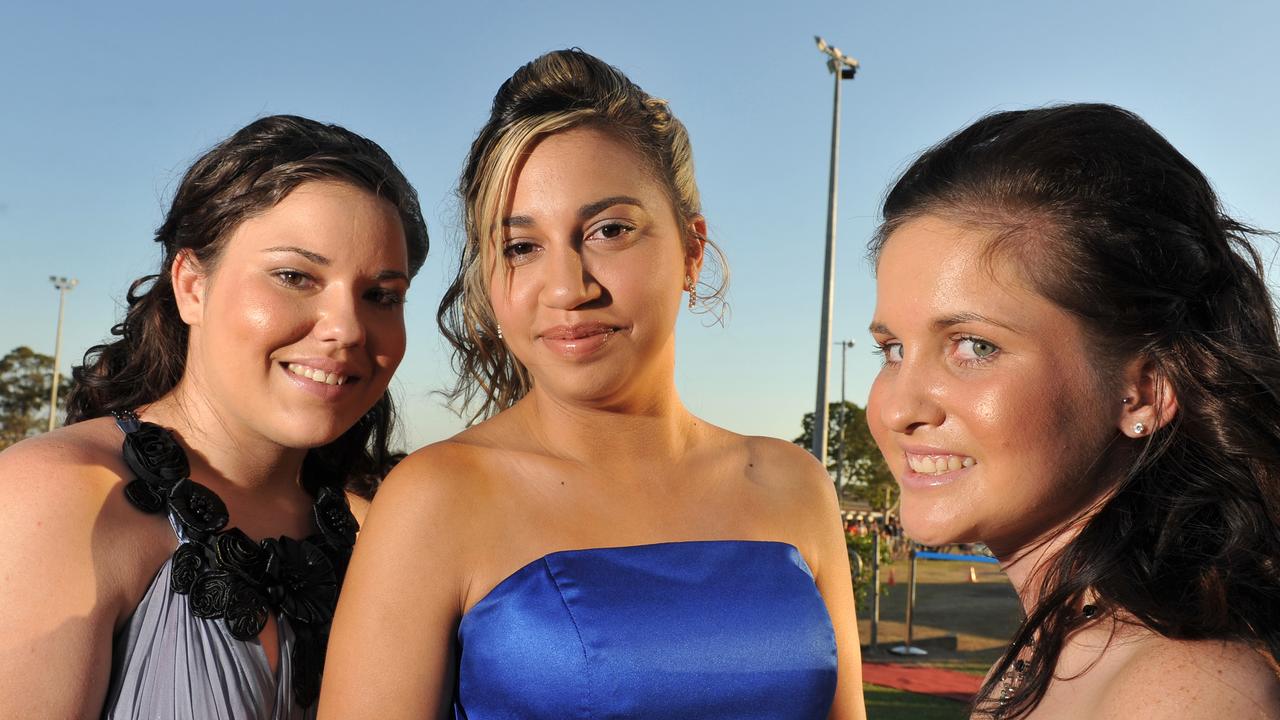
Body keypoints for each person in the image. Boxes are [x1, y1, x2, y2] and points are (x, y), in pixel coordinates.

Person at [320, 49, 865, 719]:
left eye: (609, 231)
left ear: (692, 250)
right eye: (522, 246)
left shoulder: (794, 485)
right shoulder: (435, 501)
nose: (568, 288)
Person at [0, 115, 429, 719]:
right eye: (294, 276)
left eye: (381, 295)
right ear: (191, 285)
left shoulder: (380, 533)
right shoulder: (54, 498)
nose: (348, 329)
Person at [866, 103, 1280, 718]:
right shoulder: (1057, 653)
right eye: (893, 349)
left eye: (975, 346)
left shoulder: (1177, 693)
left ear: (1143, 390)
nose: (899, 407)